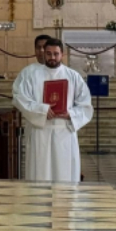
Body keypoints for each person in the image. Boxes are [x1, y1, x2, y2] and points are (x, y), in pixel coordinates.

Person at [12, 38, 94, 182]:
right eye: (49, 54)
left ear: (62, 55)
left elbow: (85, 104)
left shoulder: (73, 76)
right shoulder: (31, 75)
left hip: (65, 132)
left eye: (56, 54)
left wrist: (71, 114)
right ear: (44, 54)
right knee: (41, 174)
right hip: (40, 131)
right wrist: (41, 110)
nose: (52, 57)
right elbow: (20, 98)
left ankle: (65, 203)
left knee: (64, 175)